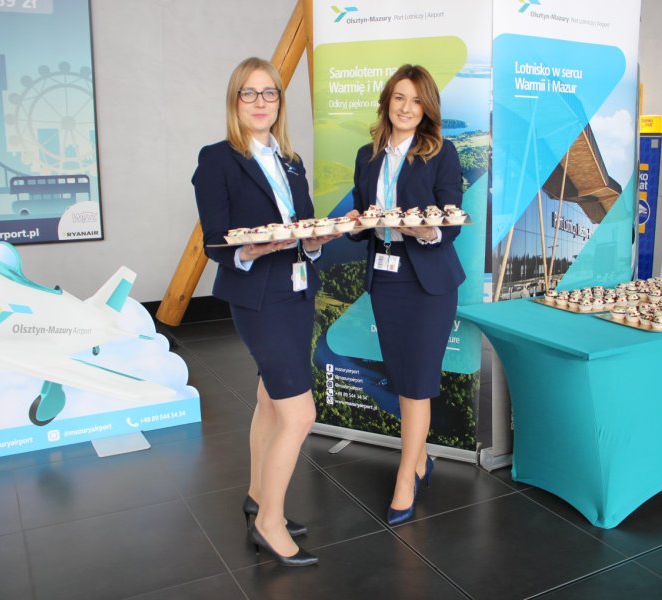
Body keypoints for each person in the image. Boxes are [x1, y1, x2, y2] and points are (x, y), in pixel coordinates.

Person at [193, 57, 337, 566]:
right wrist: (250, 251)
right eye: (249, 93)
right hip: (258, 298)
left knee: (271, 401)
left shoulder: (290, 161)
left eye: (269, 93)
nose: (260, 102)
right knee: (301, 413)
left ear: (280, 101)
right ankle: (269, 525)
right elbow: (215, 240)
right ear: (235, 101)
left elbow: (300, 227)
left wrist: (315, 241)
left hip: (296, 292)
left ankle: (258, 497)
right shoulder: (218, 159)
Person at [345, 64, 466, 525]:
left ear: (427, 108)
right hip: (386, 278)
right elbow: (363, 216)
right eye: (399, 97)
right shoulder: (367, 155)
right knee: (401, 378)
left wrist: (427, 231)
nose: (406, 107)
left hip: (427, 281)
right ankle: (420, 460)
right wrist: (356, 224)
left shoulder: (441, 152)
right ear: (387, 102)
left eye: (416, 100)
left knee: (417, 382)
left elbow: (451, 219)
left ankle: (405, 478)